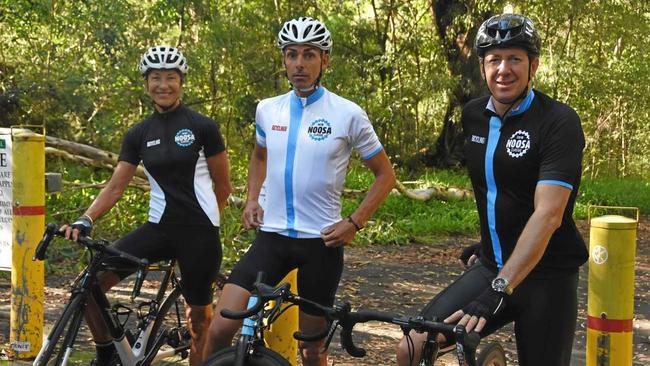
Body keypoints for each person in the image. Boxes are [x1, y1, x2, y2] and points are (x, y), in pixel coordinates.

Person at [396, 13, 588, 366]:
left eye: (515, 58)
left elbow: (548, 214)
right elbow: (500, 190)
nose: (504, 69)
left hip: (547, 275)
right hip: (492, 265)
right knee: (414, 346)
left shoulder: (559, 122)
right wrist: (492, 240)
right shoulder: (473, 116)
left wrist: (497, 290)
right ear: (482, 66)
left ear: (534, 65)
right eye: (494, 59)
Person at [204, 16, 395, 366]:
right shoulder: (267, 109)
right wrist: (251, 198)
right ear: (283, 60)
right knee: (218, 330)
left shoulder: (347, 114)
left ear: (325, 60)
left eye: (309, 54)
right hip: (271, 239)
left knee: (311, 348)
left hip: (319, 245)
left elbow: (385, 176)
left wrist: (354, 222)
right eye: (292, 55)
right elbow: (260, 155)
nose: (299, 63)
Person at [63, 45, 232, 366]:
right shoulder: (139, 133)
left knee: (199, 322)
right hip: (158, 229)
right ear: (146, 83)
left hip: (199, 234)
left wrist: (208, 221)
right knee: (88, 287)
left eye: (171, 77)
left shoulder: (203, 126)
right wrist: (86, 218)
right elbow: (116, 186)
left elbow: (223, 186)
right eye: (156, 78)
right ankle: (106, 353)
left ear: (181, 81)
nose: (163, 85)